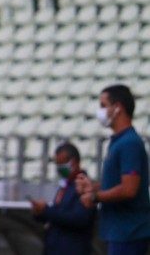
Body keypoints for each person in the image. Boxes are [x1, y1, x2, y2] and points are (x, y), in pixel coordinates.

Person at [76, 84, 150, 255]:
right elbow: (116, 183)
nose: (100, 111)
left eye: (103, 106)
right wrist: (92, 187)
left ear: (117, 108)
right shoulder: (118, 142)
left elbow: (129, 189)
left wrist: (95, 197)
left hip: (129, 233)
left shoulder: (129, 143)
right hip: (119, 232)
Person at [30, 141, 95, 255]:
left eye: (62, 163)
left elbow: (79, 219)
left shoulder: (84, 186)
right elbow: (59, 213)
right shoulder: (66, 185)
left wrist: (47, 210)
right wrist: (40, 213)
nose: (59, 168)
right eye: (57, 164)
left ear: (74, 162)